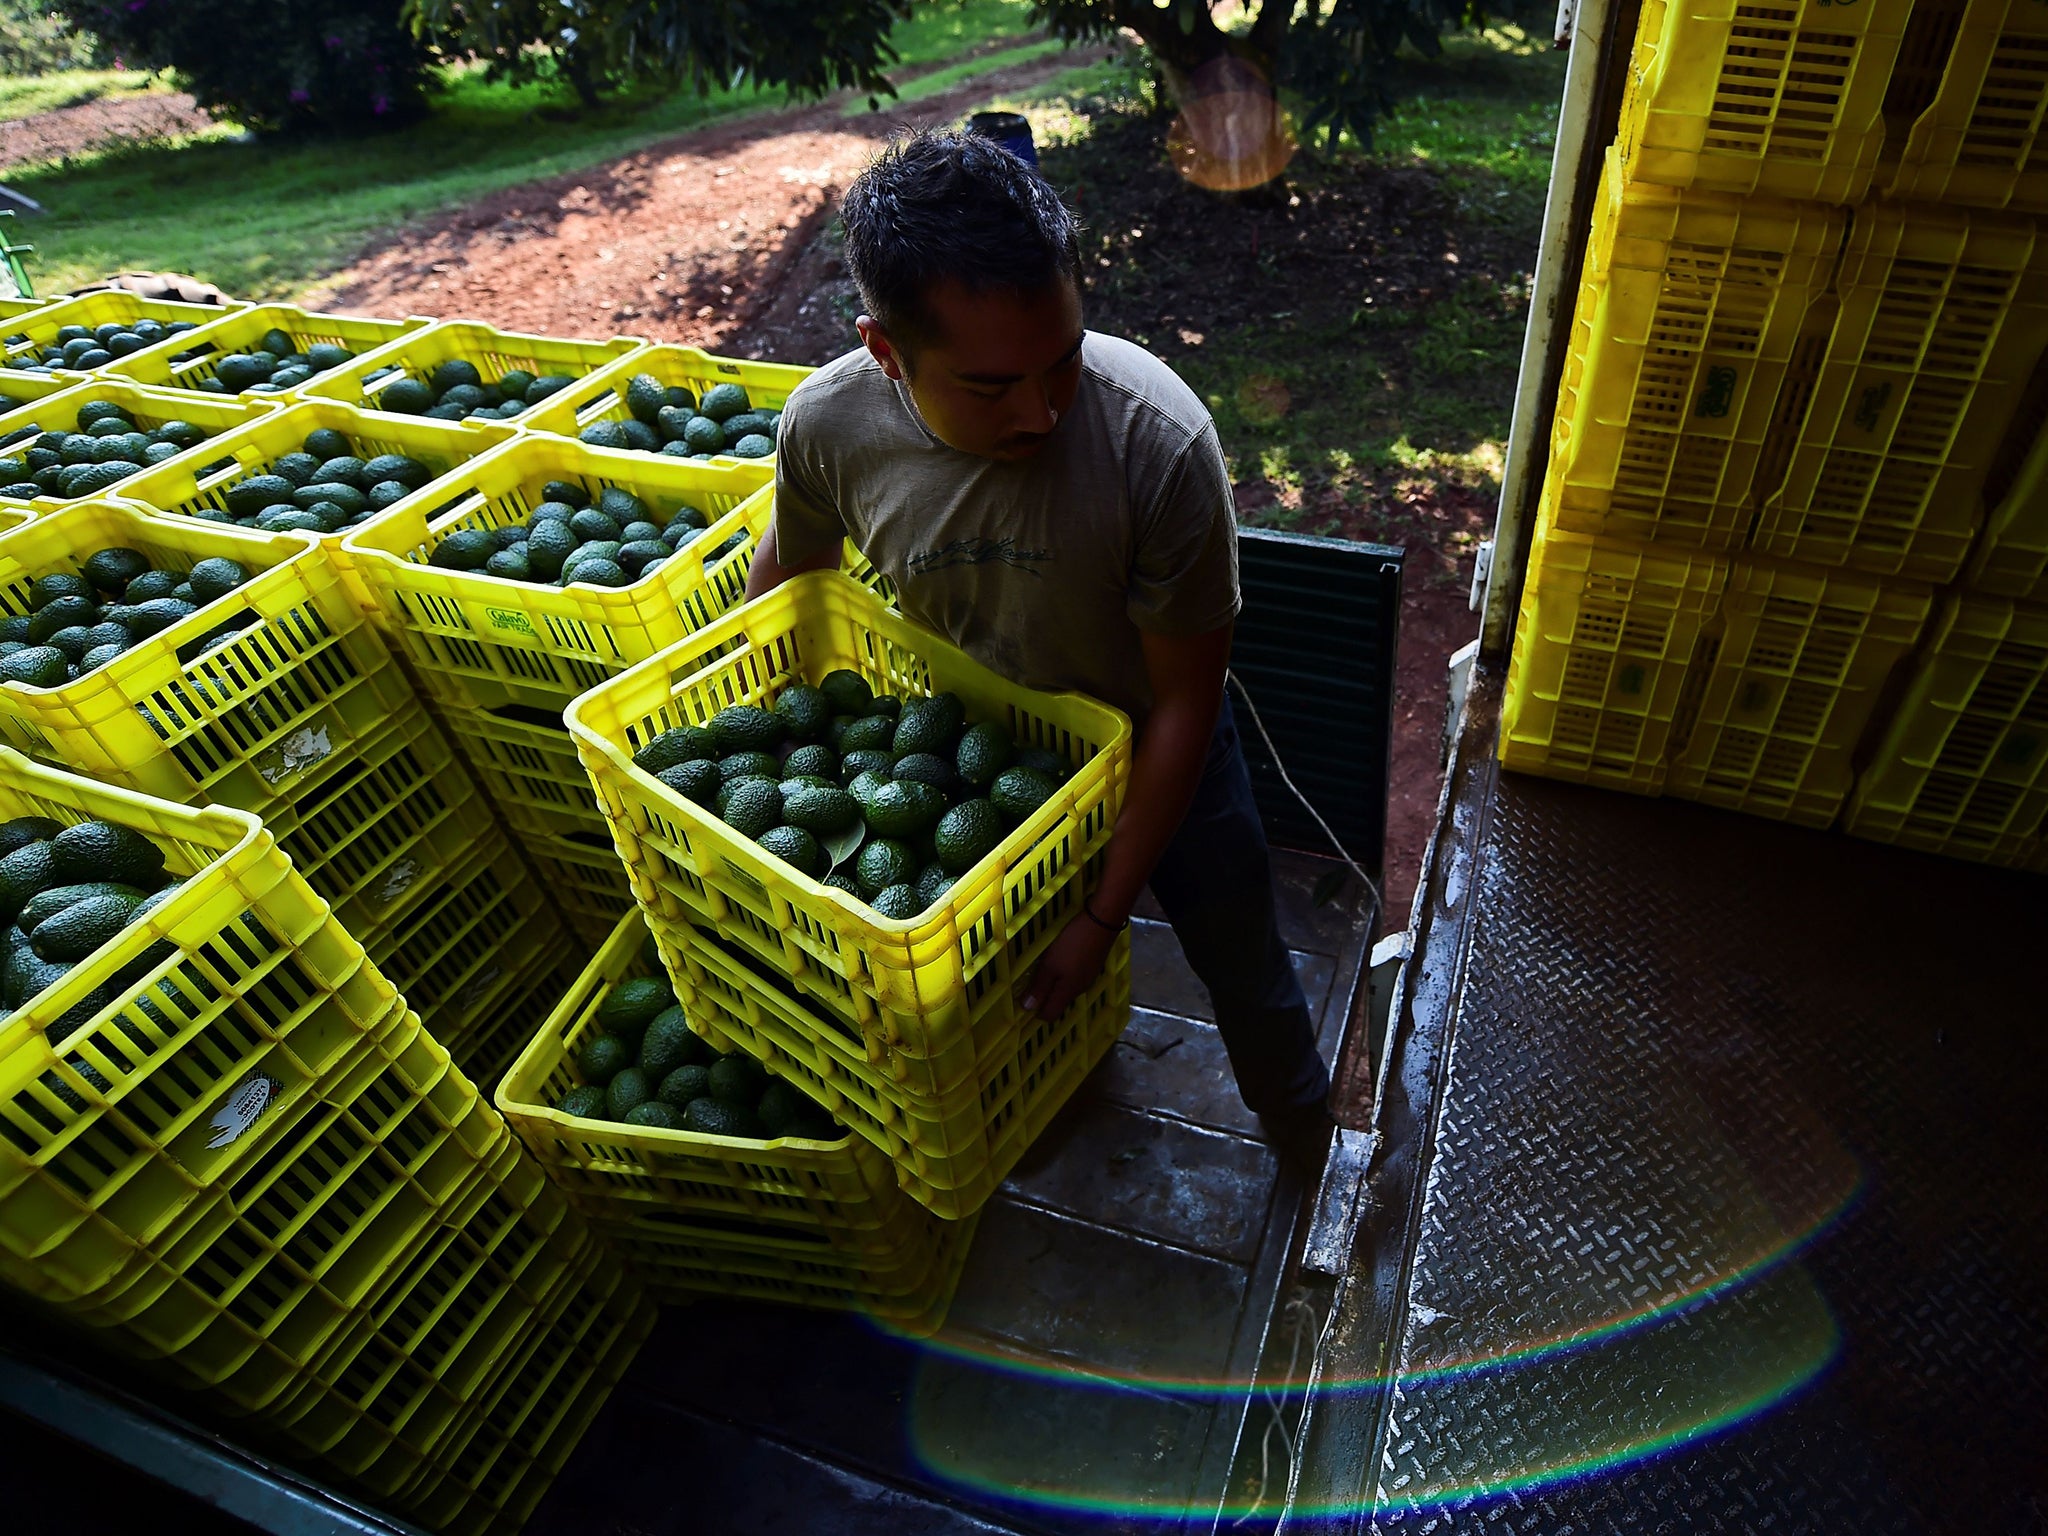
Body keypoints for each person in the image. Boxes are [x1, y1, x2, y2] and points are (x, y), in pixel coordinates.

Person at [743, 129, 1333, 1173]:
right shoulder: (828, 427)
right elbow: (790, 572)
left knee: (1241, 961)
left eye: (1061, 360)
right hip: (981, 761)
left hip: (1159, 750)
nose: (1042, 410)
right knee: (1014, 984)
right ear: (885, 351)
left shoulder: (1156, 441)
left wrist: (1103, 916)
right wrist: (776, 747)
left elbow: (1186, 704)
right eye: (990, 387)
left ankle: (1304, 1137)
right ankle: (1063, 1098)